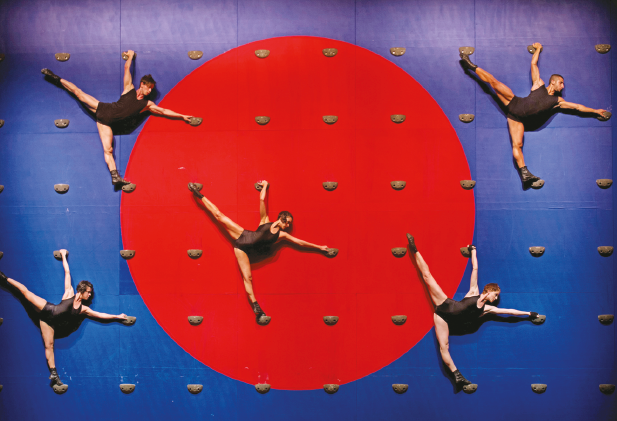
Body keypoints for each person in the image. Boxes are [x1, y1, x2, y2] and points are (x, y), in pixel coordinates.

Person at [460, 42, 610, 186]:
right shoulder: (539, 84)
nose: (563, 86)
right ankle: (470, 65)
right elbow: (533, 65)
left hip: (516, 118)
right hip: (514, 103)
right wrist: (538, 49)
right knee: (493, 82)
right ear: (554, 82)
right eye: (561, 83)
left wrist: (595, 111)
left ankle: (524, 174)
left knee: (517, 145)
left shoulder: (558, 101)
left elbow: (577, 107)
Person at [41, 50, 196, 186]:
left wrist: (182, 116)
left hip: (104, 122)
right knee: (78, 92)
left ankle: (115, 177)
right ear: (142, 84)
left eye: (151, 89)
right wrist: (130, 56)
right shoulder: (129, 89)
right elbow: (127, 68)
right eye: (149, 87)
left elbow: (163, 111)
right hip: (103, 108)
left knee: (108, 149)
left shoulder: (147, 104)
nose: (150, 90)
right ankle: (55, 78)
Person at [406, 234, 540, 388]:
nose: (496, 298)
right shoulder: (473, 292)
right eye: (496, 295)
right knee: (427, 276)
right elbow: (475, 268)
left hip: (443, 319)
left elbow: (509, 311)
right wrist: (473, 251)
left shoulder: (487, 308)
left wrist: (529, 314)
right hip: (444, 304)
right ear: (489, 291)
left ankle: (457, 376)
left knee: (444, 346)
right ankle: (415, 249)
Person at [188, 180, 331, 323]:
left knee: (247, 277)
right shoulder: (265, 221)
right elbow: (262, 199)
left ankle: (256, 306)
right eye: (288, 222)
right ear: (282, 216)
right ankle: (199, 195)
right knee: (219, 215)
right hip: (242, 235)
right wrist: (265, 185)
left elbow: (299, 242)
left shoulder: (281, 235)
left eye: (289, 224)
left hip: (242, 249)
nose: (288, 225)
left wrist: (319, 247)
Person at [0, 250, 130, 387]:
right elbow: (67, 273)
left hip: (48, 322)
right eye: (89, 292)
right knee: (25, 294)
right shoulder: (69, 293)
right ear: (82, 290)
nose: (90, 295)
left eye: (91, 293)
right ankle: (4, 278)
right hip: (47, 309)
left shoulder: (83, 309)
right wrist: (63, 255)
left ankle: (54, 374)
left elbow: (100, 315)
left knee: (49, 345)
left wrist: (117, 316)